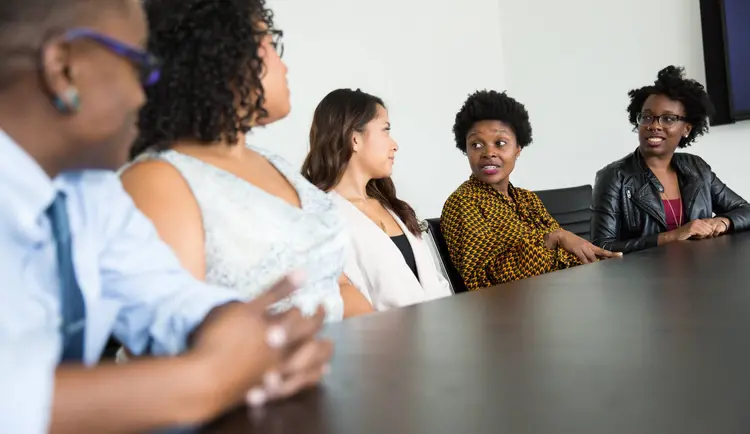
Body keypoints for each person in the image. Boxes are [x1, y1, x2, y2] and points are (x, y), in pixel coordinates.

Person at [0, 0, 331, 432]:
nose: (144, 93)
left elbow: (171, 300)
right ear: (63, 70)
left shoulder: (90, 193)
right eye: (138, 65)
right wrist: (208, 379)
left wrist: (249, 336)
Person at [121, 0, 373, 320]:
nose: (284, 67)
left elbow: (337, 287)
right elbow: (177, 346)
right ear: (221, 56)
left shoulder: (276, 165)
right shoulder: (157, 180)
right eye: (270, 44)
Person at [441, 90, 620, 290]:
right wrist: (552, 238)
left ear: (518, 149)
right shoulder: (462, 203)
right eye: (476, 144)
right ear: (466, 150)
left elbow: (565, 253)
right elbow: (483, 280)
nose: (488, 152)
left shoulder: (527, 199)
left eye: (500, 143)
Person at [301, 89, 453, 310]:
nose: (394, 145)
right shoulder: (320, 218)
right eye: (385, 130)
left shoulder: (393, 207)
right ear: (354, 139)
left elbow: (437, 283)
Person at [590, 66, 750, 254]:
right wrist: (671, 237)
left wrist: (723, 221)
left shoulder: (696, 168)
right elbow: (601, 249)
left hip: (701, 272)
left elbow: (744, 210)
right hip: (643, 279)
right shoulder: (614, 177)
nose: (654, 125)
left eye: (668, 119)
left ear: (687, 129)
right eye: (647, 117)